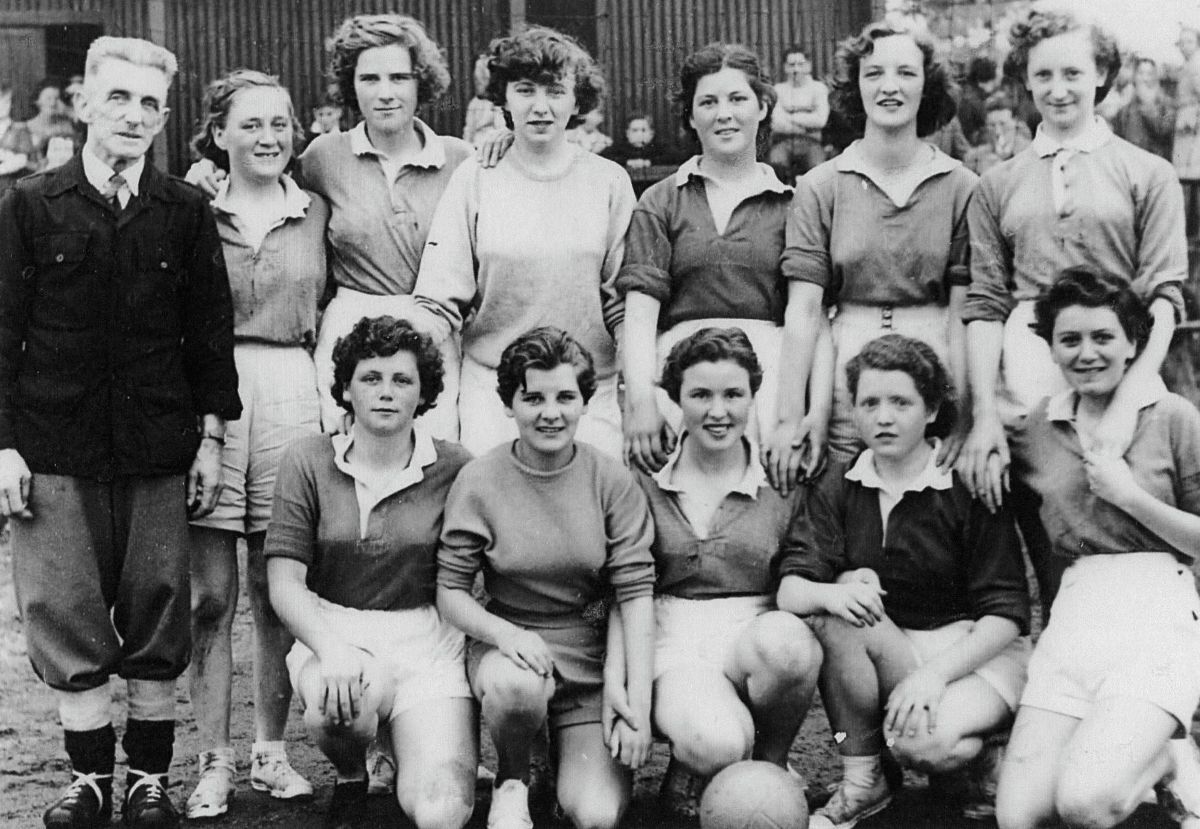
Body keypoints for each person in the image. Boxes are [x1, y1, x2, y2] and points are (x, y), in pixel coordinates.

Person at [0, 36, 240, 829]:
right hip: (53, 447)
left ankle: (148, 778)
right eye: (118, 99)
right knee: (65, 613)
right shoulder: (29, 205)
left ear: (164, 117)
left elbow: (209, 335)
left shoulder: (184, 209)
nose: (133, 115)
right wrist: (3, 444)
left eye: (148, 103)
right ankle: (89, 780)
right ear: (84, 105)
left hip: (156, 447)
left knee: (157, 610)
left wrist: (208, 436)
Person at [959, 10, 1186, 568]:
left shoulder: (1147, 172)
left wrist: (1130, 395)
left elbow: (1165, 295)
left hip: (1118, 352)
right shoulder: (997, 183)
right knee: (1046, 501)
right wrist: (983, 412)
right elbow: (985, 303)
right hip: (1032, 354)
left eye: (1073, 74)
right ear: (1026, 80)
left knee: (1123, 495)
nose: (1058, 91)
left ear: (1102, 74)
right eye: (1043, 77)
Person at [777, 334, 1031, 829]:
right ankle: (864, 777)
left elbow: (1007, 615)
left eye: (901, 402)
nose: (884, 417)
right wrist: (835, 589)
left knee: (925, 745)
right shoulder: (842, 480)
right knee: (835, 617)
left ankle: (990, 754)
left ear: (932, 409)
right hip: (899, 651)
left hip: (977, 654)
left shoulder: (964, 479)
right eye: (869, 403)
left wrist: (934, 677)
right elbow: (792, 589)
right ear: (852, 411)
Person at [188, 14, 473, 441]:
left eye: (399, 77)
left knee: (431, 469)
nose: (386, 93)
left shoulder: (461, 160)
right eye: (370, 78)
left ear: (420, 83)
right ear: (351, 85)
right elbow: (263, 181)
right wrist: (208, 170)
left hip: (431, 335)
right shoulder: (323, 157)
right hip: (349, 336)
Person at [995, 269, 1200, 829]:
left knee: (1086, 803)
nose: (1087, 354)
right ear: (1052, 349)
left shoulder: (1174, 416)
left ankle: (1163, 756)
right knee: (1018, 818)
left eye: (1103, 338)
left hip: (1159, 606)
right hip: (1078, 608)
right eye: (1070, 340)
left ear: (1134, 342)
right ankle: (1140, 751)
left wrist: (1130, 497)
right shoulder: (1037, 428)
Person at [182, 69, 329, 819]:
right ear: (218, 135)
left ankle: (270, 753)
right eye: (251, 125)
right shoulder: (192, 211)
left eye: (280, 123)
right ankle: (213, 759)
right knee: (211, 598)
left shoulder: (316, 212)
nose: (269, 137)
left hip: (295, 394)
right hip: (211, 397)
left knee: (279, 591)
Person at [437, 327, 656, 829]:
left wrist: (633, 698)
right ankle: (513, 778)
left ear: (585, 401)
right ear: (510, 402)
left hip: (589, 654)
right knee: (518, 689)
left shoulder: (611, 480)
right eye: (532, 397)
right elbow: (450, 591)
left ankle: (559, 753)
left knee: (595, 815)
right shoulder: (480, 480)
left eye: (565, 397)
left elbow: (634, 593)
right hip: (511, 650)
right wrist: (505, 635)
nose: (550, 413)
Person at [266, 315, 476, 829]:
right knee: (340, 707)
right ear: (345, 388)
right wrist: (331, 648)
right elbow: (284, 581)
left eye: (402, 380)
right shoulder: (308, 459)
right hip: (337, 634)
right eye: (371, 378)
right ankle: (351, 774)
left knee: (441, 813)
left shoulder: (454, 466)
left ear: (423, 393)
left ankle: (406, 749)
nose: (386, 393)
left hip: (428, 645)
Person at [411, 26, 635, 459]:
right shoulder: (475, 177)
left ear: (577, 100)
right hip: (495, 391)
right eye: (525, 89)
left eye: (554, 91)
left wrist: (635, 390)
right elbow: (439, 301)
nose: (540, 107)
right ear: (504, 98)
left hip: (588, 392)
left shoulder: (610, 182)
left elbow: (622, 303)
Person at [617, 42, 833, 490]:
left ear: (763, 107)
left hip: (769, 383)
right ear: (691, 116)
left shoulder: (795, 204)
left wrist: (795, 415)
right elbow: (639, 316)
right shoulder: (661, 201)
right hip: (680, 380)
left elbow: (809, 317)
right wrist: (641, 401)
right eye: (708, 102)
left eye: (738, 99)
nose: (724, 114)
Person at [631, 327, 822, 808]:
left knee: (790, 646)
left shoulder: (779, 476)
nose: (718, 412)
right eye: (700, 395)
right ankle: (697, 759)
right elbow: (615, 590)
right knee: (718, 743)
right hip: (673, 639)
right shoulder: (643, 476)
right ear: (676, 398)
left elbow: (804, 567)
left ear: (754, 396)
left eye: (733, 394)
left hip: (751, 634)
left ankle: (773, 766)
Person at [781, 21, 972, 469]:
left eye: (906, 73)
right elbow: (806, 310)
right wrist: (797, 415)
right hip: (845, 367)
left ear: (928, 86)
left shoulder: (962, 186)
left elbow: (967, 311)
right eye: (873, 73)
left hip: (935, 363)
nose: (890, 87)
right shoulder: (820, 186)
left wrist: (964, 410)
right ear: (855, 86)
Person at [768, 46, 829, 185]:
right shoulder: (778, 90)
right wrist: (807, 120)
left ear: (808, 66)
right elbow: (776, 123)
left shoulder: (818, 88)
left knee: (819, 170)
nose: (796, 69)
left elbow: (820, 120)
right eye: (791, 65)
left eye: (800, 65)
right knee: (776, 166)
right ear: (785, 67)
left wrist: (789, 115)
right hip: (783, 142)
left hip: (812, 142)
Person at [1112, 56, 1174, 162]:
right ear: (1135, 76)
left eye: (1149, 74)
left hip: (1155, 163)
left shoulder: (1166, 105)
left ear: (1155, 77)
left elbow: (1166, 131)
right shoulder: (1125, 109)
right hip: (1131, 163)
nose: (1145, 78)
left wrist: (1147, 107)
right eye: (1141, 73)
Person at [601, 113, 674, 197]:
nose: (639, 135)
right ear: (627, 133)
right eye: (635, 130)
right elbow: (604, 158)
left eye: (643, 130)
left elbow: (676, 157)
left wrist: (649, 162)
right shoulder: (618, 148)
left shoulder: (660, 148)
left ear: (651, 133)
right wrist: (627, 162)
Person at [964, 92, 1032, 175]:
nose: (997, 131)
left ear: (1015, 122)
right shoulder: (975, 159)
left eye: (1003, 124)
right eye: (992, 125)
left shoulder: (1032, 154)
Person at [1177, 27, 1200, 239]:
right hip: (1184, 118)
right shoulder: (1187, 65)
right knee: (1185, 177)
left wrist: (1194, 119)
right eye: (1182, 42)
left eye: (1190, 42)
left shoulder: (1196, 66)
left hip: (1192, 125)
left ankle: (1192, 231)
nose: (1185, 46)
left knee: (1191, 177)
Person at [462, 53, 505, 147]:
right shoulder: (474, 104)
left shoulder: (502, 103)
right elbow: (469, 131)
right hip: (477, 147)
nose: (478, 84)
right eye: (476, 81)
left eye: (482, 81)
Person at [957, 56, 998, 145]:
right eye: (991, 80)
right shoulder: (973, 101)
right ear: (981, 81)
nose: (994, 84)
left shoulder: (968, 94)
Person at [22, 77, 65, 162]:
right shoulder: (27, 127)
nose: (53, 103)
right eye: (48, 98)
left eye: (56, 98)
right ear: (37, 101)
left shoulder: (66, 126)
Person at [0, 81, 33, 192]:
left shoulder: (19, 129)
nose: (4, 106)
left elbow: (22, 160)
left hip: (8, 182)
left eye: (7, 101)